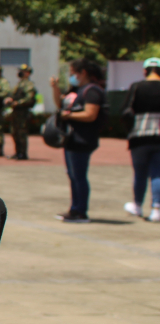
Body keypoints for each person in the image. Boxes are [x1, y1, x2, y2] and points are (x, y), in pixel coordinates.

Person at [50, 59, 107, 223]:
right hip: (72, 140)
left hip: (83, 139)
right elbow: (61, 103)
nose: (71, 76)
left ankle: (81, 211)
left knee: (79, 176)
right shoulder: (77, 90)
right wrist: (55, 87)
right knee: (73, 175)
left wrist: (68, 116)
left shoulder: (92, 91)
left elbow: (90, 114)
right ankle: (74, 209)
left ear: (83, 73)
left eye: (73, 73)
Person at [122, 57, 160, 221]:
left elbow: (124, 111)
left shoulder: (136, 87)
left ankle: (137, 205)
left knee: (140, 173)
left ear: (145, 71)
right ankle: (157, 208)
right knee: (157, 174)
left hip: (139, 136)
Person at [6, 63, 37, 160]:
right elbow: (12, 94)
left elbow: (29, 99)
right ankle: (17, 152)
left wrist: (17, 103)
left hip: (22, 112)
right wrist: (10, 99)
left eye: (22, 71)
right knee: (14, 132)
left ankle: (23, 153)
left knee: (21, 132)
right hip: (16, 112)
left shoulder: (29, 85)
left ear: (28, 73)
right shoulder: (19, 84)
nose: (20, 73)